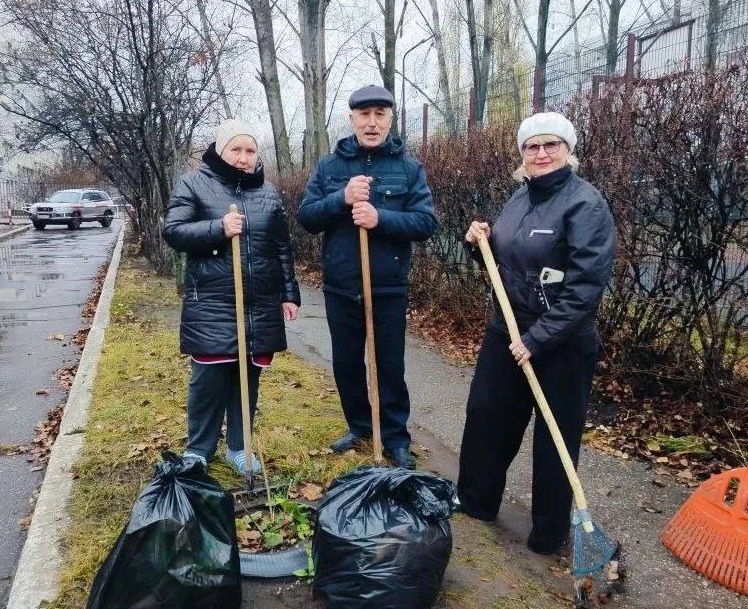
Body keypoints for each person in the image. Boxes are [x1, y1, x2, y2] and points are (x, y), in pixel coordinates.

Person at [458, 112, 615, 554]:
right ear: (522, 154)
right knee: (488, 415)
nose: (541, 153)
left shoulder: (586, 204)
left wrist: (538, 339)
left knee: (554, 437)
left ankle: (548, 533)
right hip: (508, 328)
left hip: (563, 341)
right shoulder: (519, 198)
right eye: (532, 146)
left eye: (551, 145)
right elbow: (507, 262)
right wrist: (478, 243)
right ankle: (475, 502)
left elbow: (586, 286)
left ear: (568, 150)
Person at [297, 85, 437, 469]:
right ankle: (359, 426)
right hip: (341, 286)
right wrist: (341, 198)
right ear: (352, 119)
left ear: (390, 119)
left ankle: (395, 437)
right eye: (364, 115)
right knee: (346, 364)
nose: (372, 123)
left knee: (390, 365)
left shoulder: (408, 169)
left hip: (387, 287)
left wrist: (380, 218)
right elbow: (307, 217)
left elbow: (425, 223)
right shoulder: (330, 167)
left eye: (380, 114)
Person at [163, 118, 301, 476]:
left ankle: (240, 447)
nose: (243, 157)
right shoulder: (194, 183)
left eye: (250, 150)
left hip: (259, 304)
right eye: (235, 149)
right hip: (212, 303)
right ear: (220, 150)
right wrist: (218, 228)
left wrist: (290, 294)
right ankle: (199, 449)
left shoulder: (267, 192)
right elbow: (174, 231)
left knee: (247, 379)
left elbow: (282, 247)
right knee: (208, 379)